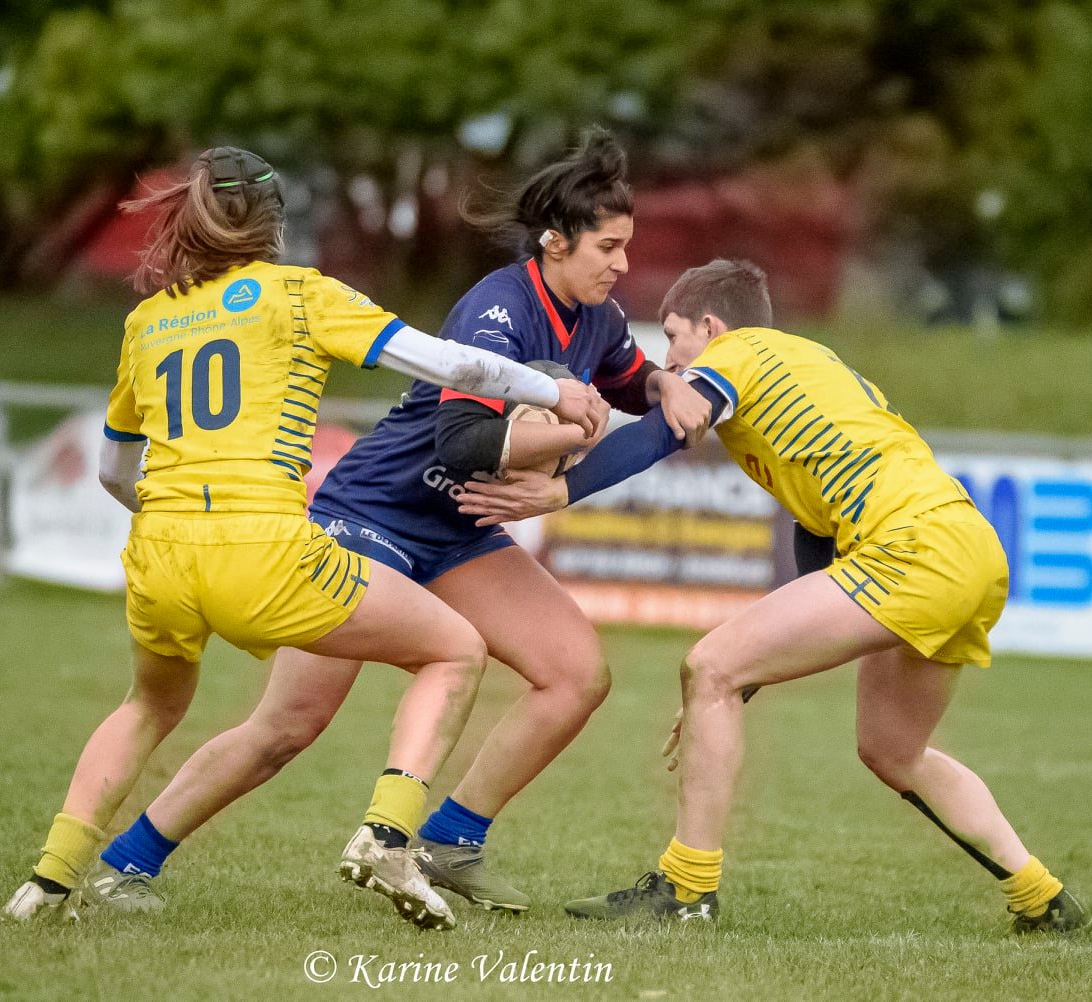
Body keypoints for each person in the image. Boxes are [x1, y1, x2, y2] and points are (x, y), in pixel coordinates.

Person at [79, 128, 713, 921]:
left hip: (455, 529)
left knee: (575, 672)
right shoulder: (497, 305)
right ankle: (125, 865)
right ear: (555, 242)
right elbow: (465, 440)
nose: (622, 265)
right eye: (608, 247)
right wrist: (566, 434)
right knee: (287, 726)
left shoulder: (597, 316)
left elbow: (623, 378)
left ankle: (448, 840)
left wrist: (664, 385)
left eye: (627, 248)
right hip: (372, 513)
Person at [456, 259, 1090, 933]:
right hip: (965, 548)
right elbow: (818, 543)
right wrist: (748, 673)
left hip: (914, 547)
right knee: (891, 749)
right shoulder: (804, 367)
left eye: (674, 337)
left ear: (712, 326)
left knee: (709, 666)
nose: (668, 360)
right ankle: (1038, 895)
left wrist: (561, 492)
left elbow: (668, 426)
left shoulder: (741, 353)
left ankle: (686, 890)